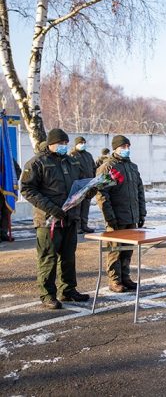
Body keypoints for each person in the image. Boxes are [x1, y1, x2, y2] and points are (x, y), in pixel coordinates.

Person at [20, 128, 91, 309]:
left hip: (69, 218)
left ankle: (68, 290)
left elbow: (80, 185)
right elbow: (27, 189)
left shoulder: (71, 161)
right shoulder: (37, 162)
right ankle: (47, 295)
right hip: (48, 220)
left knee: (68, 257)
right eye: (60, 143)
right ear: (50, 143)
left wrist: (90, 190)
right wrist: (52, 208)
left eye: (66, 144)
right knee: (48, 258)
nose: (64, 147)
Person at [95, 135, 146, 293]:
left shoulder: (132, 167)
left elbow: (139, 191)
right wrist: (109, 217)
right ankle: (114, 280)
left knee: (128, 249)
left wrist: (141, 213)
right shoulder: (109, 167)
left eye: (128, 146)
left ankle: (125, 277)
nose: (126, 149)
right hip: (116, 217)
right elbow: (102, 194)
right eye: (123, 147)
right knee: (115, 250)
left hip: (132, 216)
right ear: (115, 148)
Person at [69, 136, 96, 234]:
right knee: (77, 206)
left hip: (89, 184)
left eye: (84, 142)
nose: (83, 144)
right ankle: (77, 226)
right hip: (79, 185)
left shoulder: (88, 155)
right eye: (80, 143)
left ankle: (84, 224)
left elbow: (93, 167)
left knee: (86, 205)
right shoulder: (72, 155)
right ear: (76, 144)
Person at [0, 158, 21, 242]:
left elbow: (17, 170)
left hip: (6, 190)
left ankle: (3, 233)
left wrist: (11, 182)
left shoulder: (7, 155)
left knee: (6, 212)